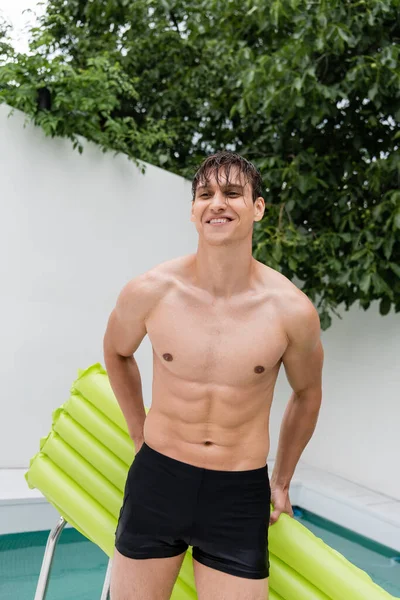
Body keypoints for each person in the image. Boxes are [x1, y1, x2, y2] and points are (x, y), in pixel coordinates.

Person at [103, 151, 324, 600]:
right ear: (192, 210)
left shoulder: (291, 311)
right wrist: (138, 432)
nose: (217, 203)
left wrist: (281, 481)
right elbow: (116, 352)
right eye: (206, 194)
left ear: (257, 208)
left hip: (238, 493)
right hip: (158, 479)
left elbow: (307, 393)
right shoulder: (151, 291)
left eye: (232, 193)